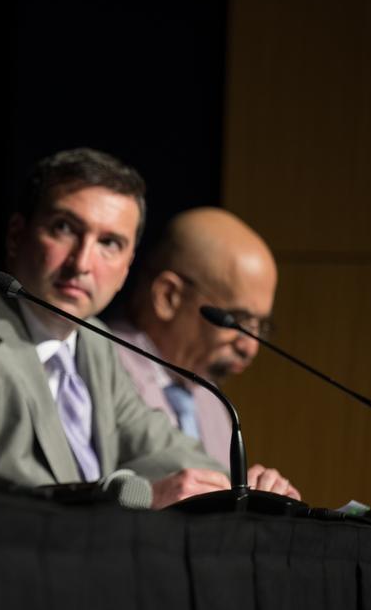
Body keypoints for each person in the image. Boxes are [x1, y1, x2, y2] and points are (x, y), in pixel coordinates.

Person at [0, 148, 299, 509]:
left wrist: (246, 487)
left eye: (109, 243)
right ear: (16, 236)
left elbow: (161, 448)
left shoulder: (92, 342)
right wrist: (137, 497)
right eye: (65, 229)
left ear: (127, 267)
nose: (82, 263)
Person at [111, 208, 295, 498]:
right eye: (236, 321)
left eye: (261, 326)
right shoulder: (98, 367)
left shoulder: (212, 400)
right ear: (169, 296)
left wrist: (258, 496)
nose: (250, 347)